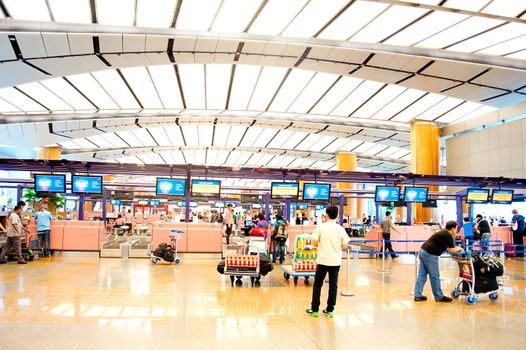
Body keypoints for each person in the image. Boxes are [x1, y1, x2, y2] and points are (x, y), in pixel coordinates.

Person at [306, 205, 349, 318]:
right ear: (337, 216)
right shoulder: (340, 229)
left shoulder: (321, 227)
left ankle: (314, 310)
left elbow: (314, 242)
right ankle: (330, 310)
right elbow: (344, 246)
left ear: (327, 215)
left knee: (318, 285)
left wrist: (322, 242)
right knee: (333, 285)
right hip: (335, 261)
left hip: (322, 260)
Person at [414, 221, 463, 302]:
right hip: (430, 254)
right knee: (435, 276)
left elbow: (446, 247)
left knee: (422, 275)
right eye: (456, 228)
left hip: (423, 251)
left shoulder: (442, 232)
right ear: (453, 229)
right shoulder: (448, 235)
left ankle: (417, 295)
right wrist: (460, 248)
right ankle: (439, 296)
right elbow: (452, 250)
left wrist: (456, 247)